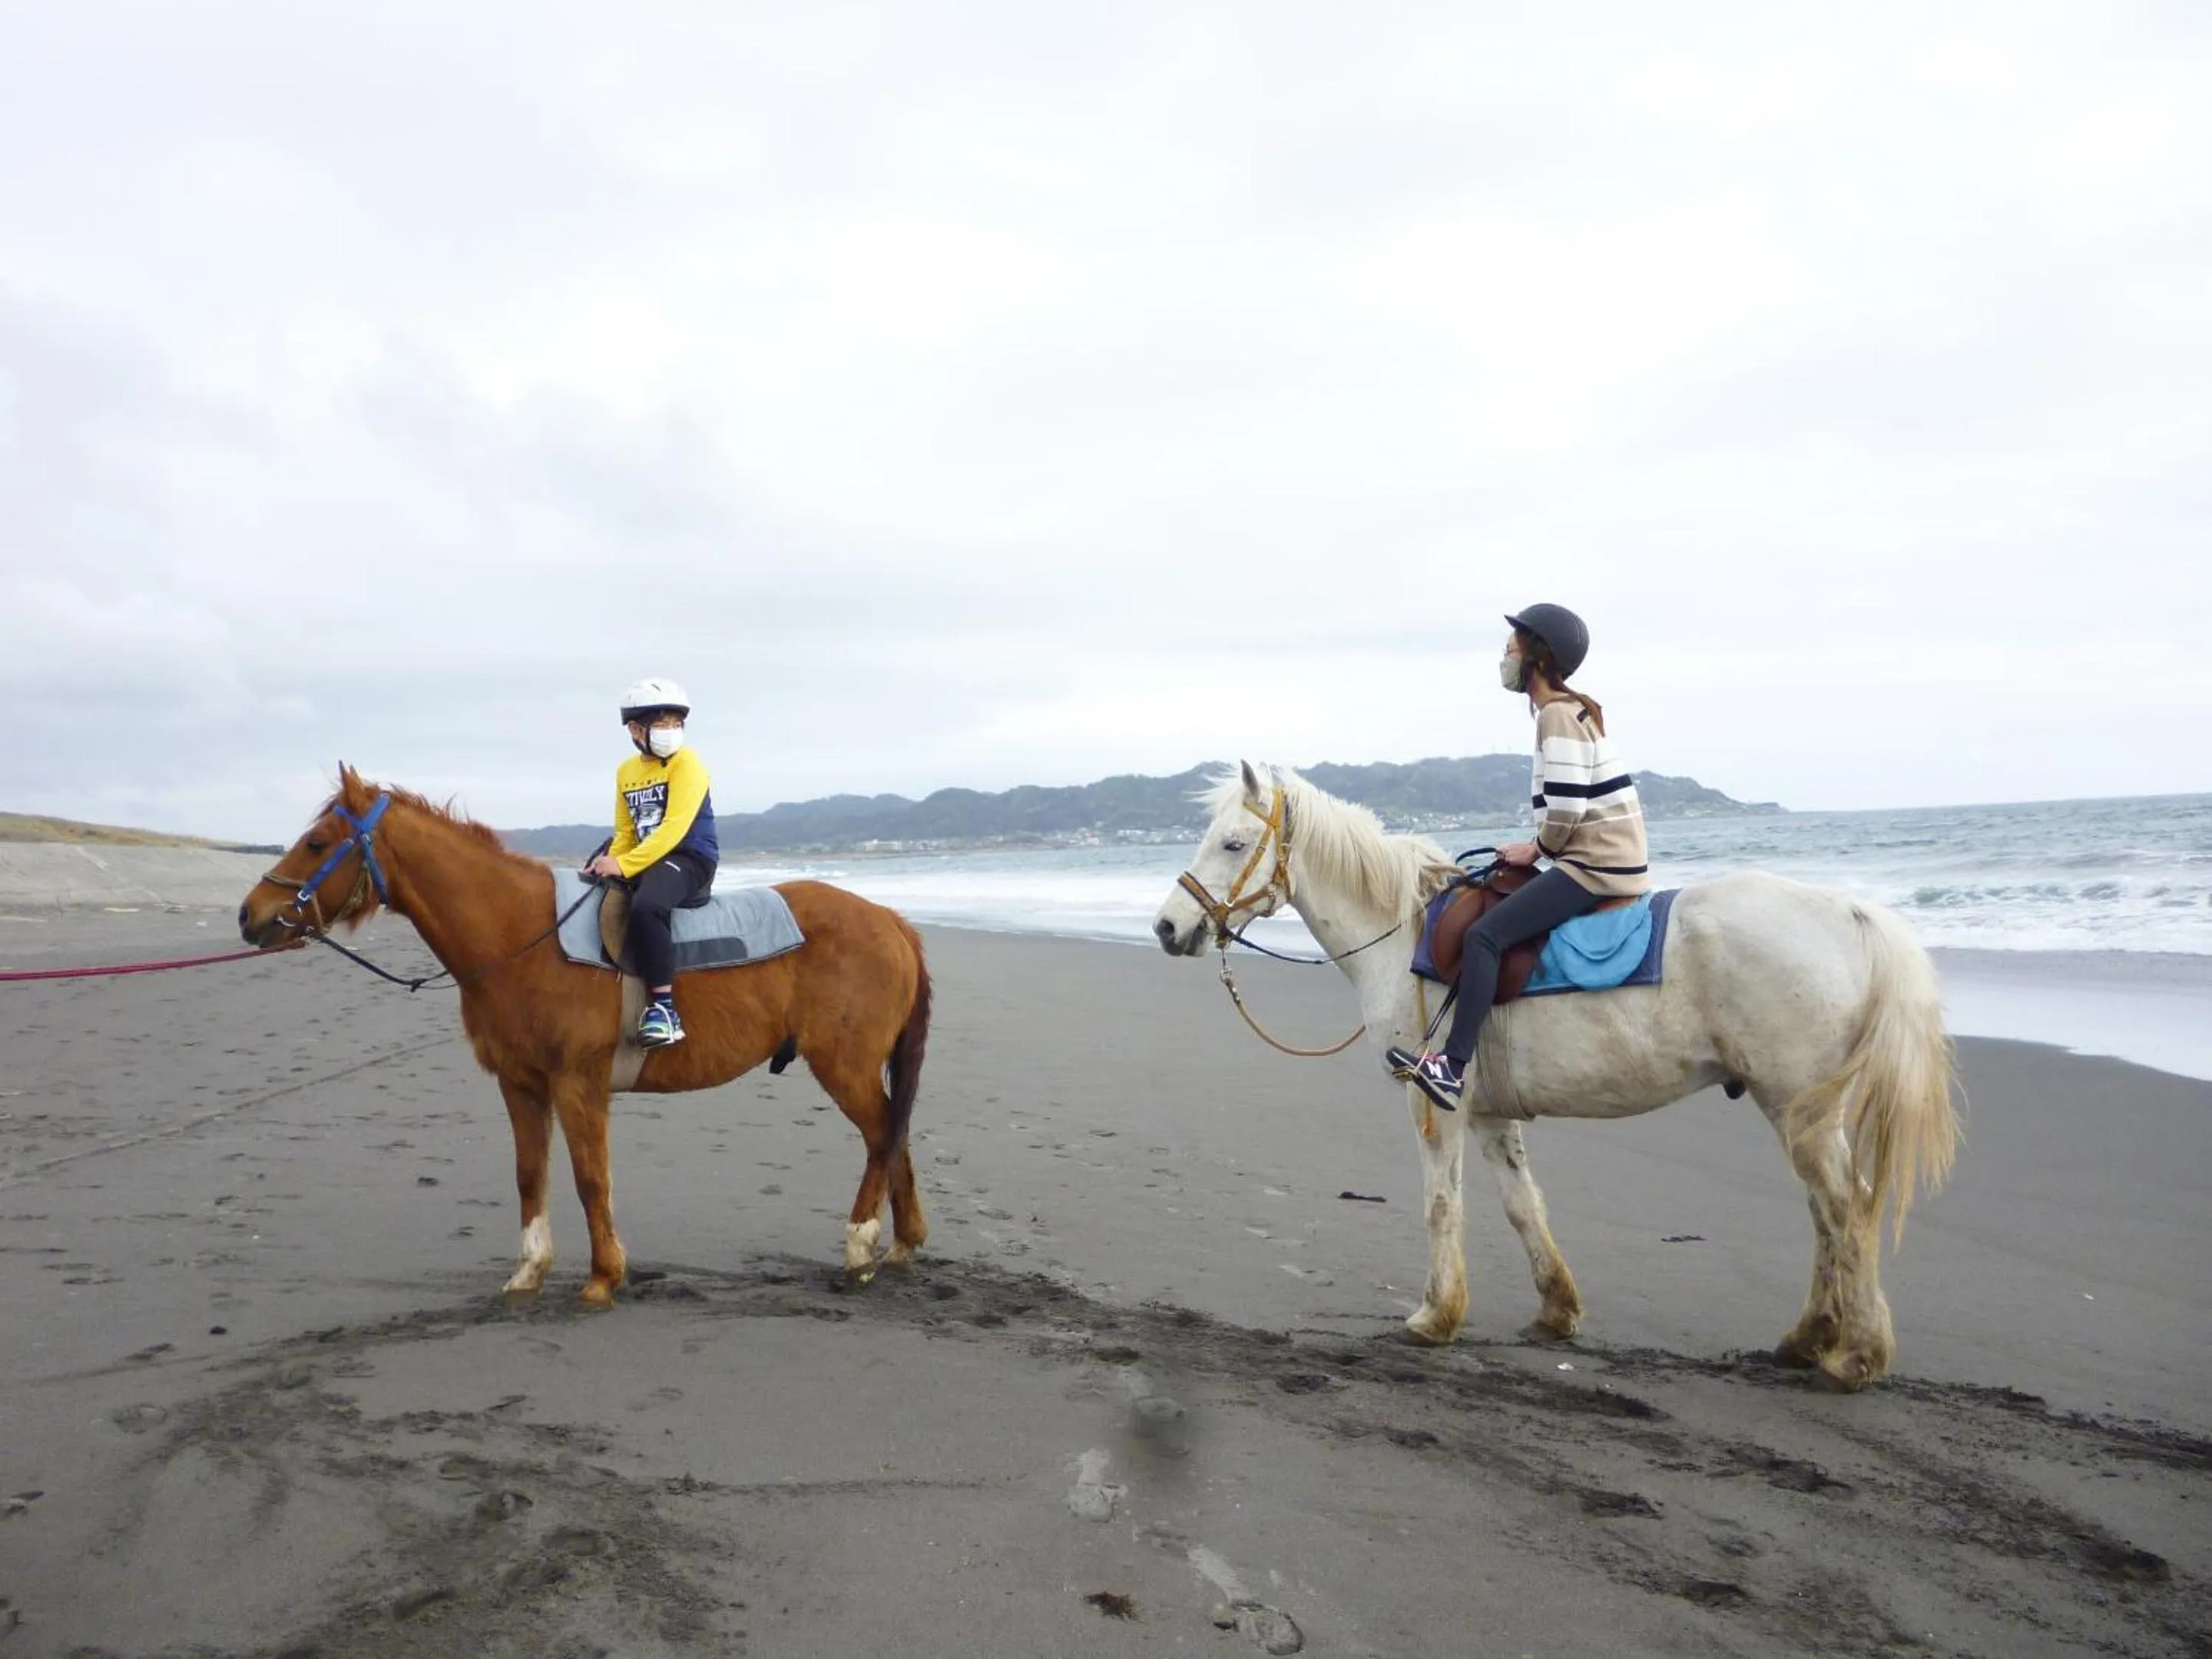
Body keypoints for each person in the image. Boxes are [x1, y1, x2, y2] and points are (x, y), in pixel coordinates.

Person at [1387, 604, 1650, 1109]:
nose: (1503, 659)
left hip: (1596, 868)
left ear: (1536, 656)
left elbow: (1568, 807)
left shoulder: (1555, 714)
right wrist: (1535, 846)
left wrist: (1537, 848)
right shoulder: (1572, 711)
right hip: (1601, 858)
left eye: (1509, 649)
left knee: (1485, 936)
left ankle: (1452, 1067)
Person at [585, 677, 720, 1048]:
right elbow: (626, 831)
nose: (671, 732)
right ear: (635, 729)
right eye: (662, 724)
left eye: (677, 724)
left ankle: (664, 1009)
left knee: (647, 906)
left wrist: (625, 866)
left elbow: (673, 830)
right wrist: (609, 860)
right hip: (648, 856)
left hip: (689, 857)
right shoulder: (626, 773)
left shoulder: (688, 764)